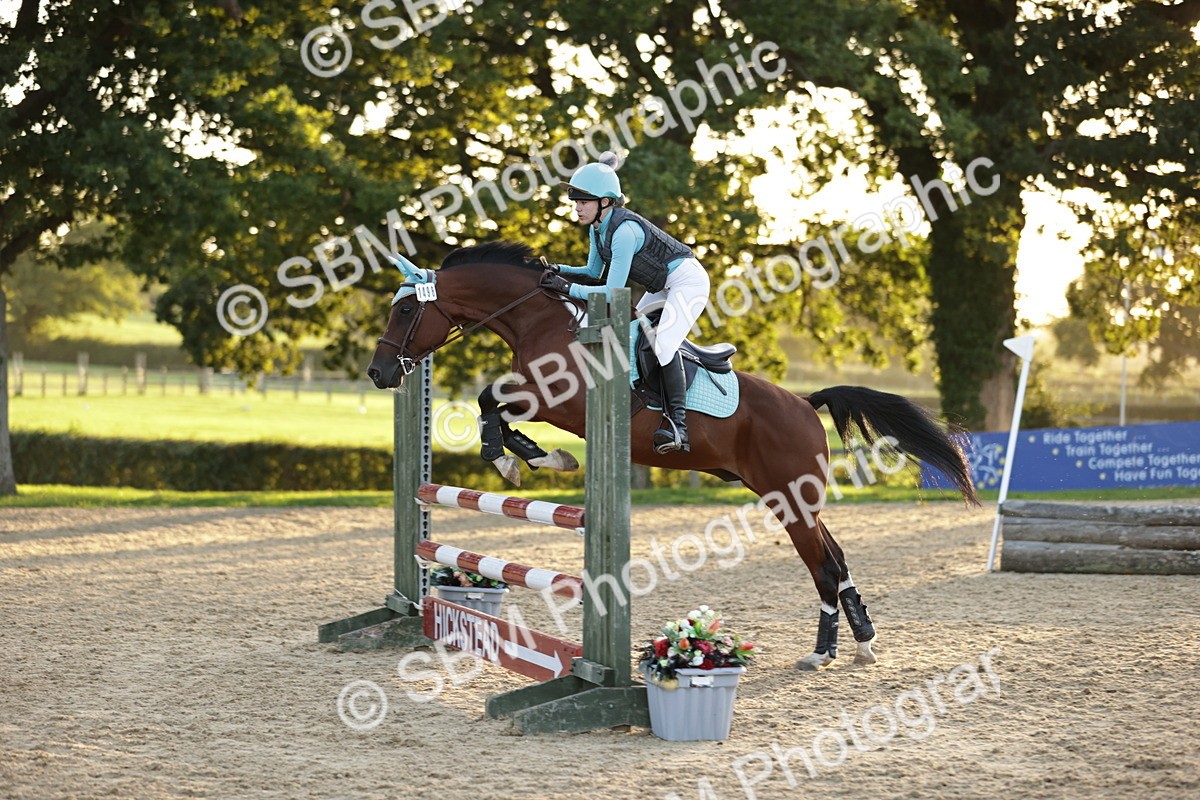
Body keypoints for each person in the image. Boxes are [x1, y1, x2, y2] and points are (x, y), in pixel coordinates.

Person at [539, 151, 711, 454]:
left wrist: (566, 287)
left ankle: (678, 427)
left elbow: (611, 292)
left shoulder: (624, 232)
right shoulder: (598, 228)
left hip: (688, 282)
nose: (577, 208)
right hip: (662, 286)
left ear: (605, 202)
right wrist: (559, 269)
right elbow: (593, 272)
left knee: (664, 344)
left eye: (583, 202)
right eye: (576, 202)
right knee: (630, 335)